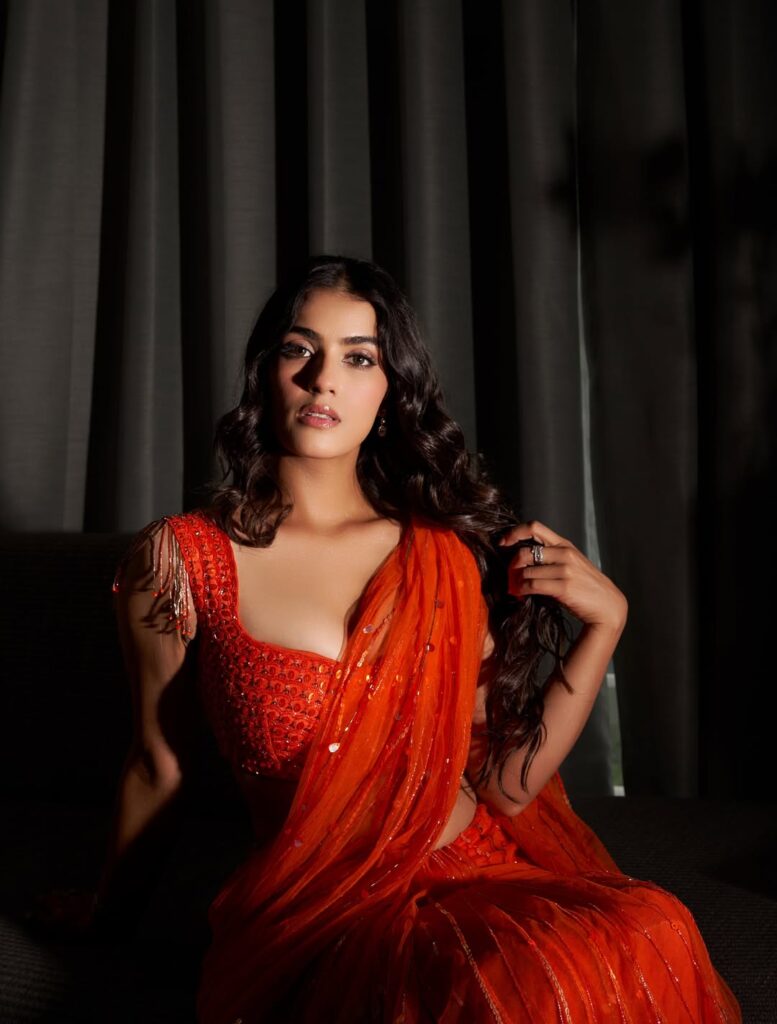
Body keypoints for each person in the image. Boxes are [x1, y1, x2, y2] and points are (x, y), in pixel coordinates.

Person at [101, 254, 739, 1022]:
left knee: (646, 928)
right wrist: (105, 918)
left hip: (478, 874)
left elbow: (504, 785)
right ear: (264, 370)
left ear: (388, 391)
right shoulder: (184, 559)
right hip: (331, 909)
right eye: (299, 349)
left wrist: (605, 626)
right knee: (499, 990)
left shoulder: (437, 555)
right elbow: (157, 763)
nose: (323, 379)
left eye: (358, 358)